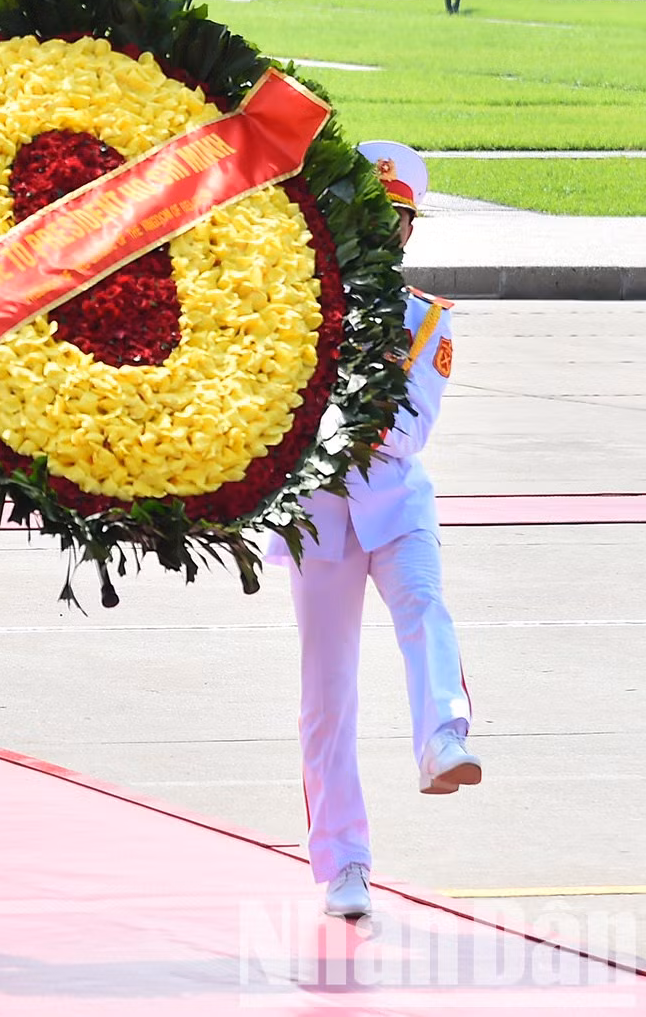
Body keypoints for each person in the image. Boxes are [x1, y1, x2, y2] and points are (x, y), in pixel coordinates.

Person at [267, 141, 480, 921]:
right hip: (320, 514)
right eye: (370, 213)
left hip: (394, 502)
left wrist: (342, 392)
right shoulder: (296, 307)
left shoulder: (426, 322)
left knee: (425, 609)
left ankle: (443, 737)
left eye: (396, 220)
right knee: (327, 695)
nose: (383, 231)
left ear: (408, 234)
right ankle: (343, 863)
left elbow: (408, 431)